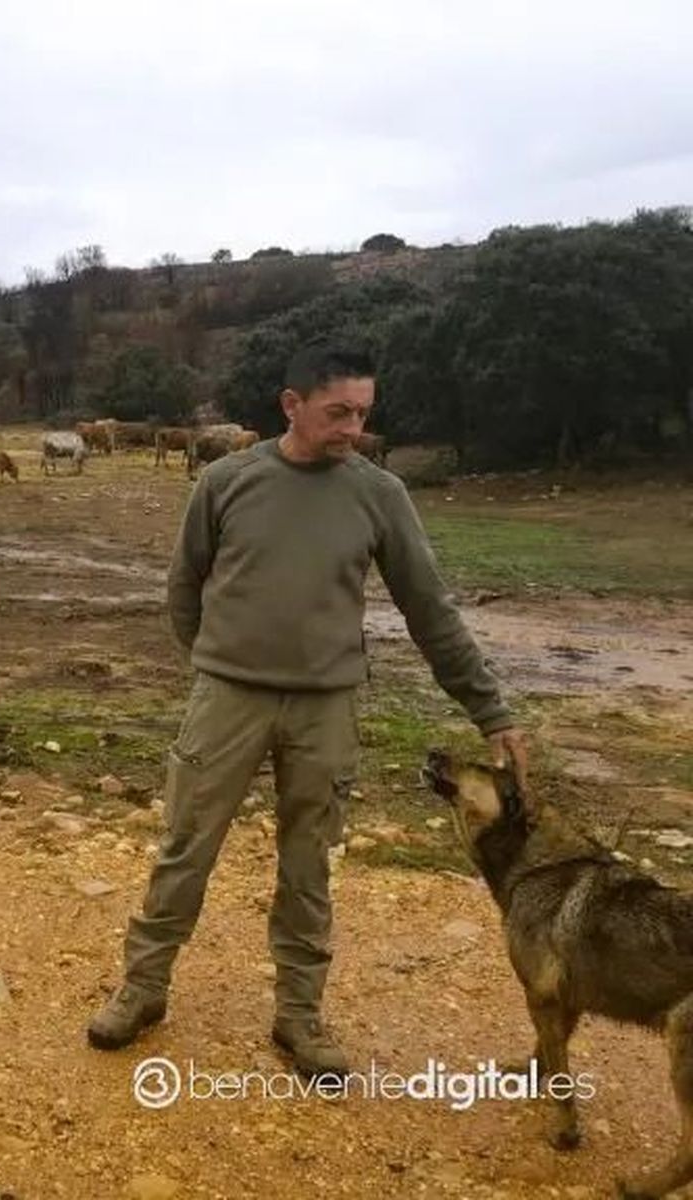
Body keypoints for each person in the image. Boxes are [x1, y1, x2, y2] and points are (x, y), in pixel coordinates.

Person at [86, 340, 526, 1078]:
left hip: (326, 708)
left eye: (362, 413)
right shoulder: (226, 481)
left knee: (308, 864)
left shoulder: (379, 494)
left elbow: (431, 611)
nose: (353, 428)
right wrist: (220, 664)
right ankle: (143, 987)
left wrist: (491, 710)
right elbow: (183, 590)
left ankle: (299, 1016)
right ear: (291, 405)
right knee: (186, 847)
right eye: (337, 412)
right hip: (227, 700)